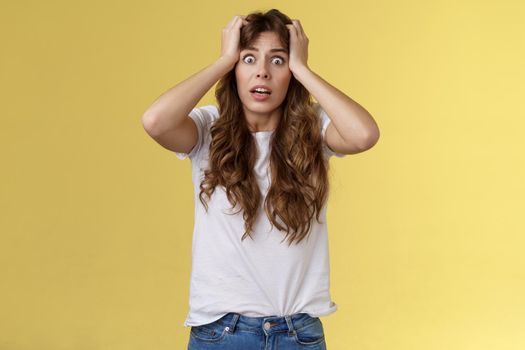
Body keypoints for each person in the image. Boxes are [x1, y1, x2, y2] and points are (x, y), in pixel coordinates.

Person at [141, 8, 379, 350]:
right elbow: (155, 121)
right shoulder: (210, 128)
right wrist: (223, 59)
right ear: (234, 70)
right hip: (221, 333)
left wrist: (303, 69)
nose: (262, 73)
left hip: (298, 334)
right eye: (249, 59)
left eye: (278, 61)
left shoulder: (315, 129)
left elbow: (365, 135)